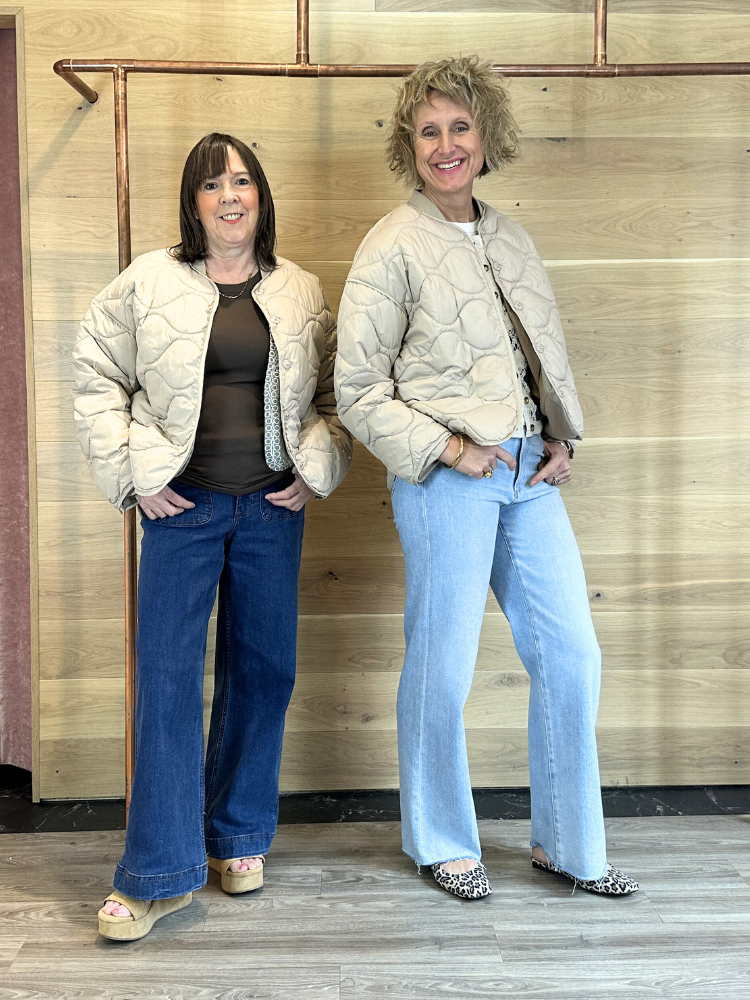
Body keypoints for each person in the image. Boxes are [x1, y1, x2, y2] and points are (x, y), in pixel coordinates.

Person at [334, 58, 638, 900]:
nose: (446, 144)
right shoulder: (390, 245)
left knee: (571, 653)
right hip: (449, 478)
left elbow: (541, 350)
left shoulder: (510, 237)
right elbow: (358, 391)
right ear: (409, 146)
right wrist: (448, 449)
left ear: (485, 135)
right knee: (444, 662)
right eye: (428, 130)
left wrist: (561, 434)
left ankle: (570, 846)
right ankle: (439, 841)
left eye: (460, 126)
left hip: (529, 473)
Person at [73, 133, 352, 940]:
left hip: (271, 511)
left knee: (263, 673)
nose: (229, 195)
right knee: (165, 681)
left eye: (241, 180)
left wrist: (317, 467)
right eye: (211, 184)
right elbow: (96, 373)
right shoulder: (148, 282)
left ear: (261, 195)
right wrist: (136, 475)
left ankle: (237, 837)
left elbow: (337, 394)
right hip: (182, 509)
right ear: (193, 203)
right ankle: (158, 875)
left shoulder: (300, 289)